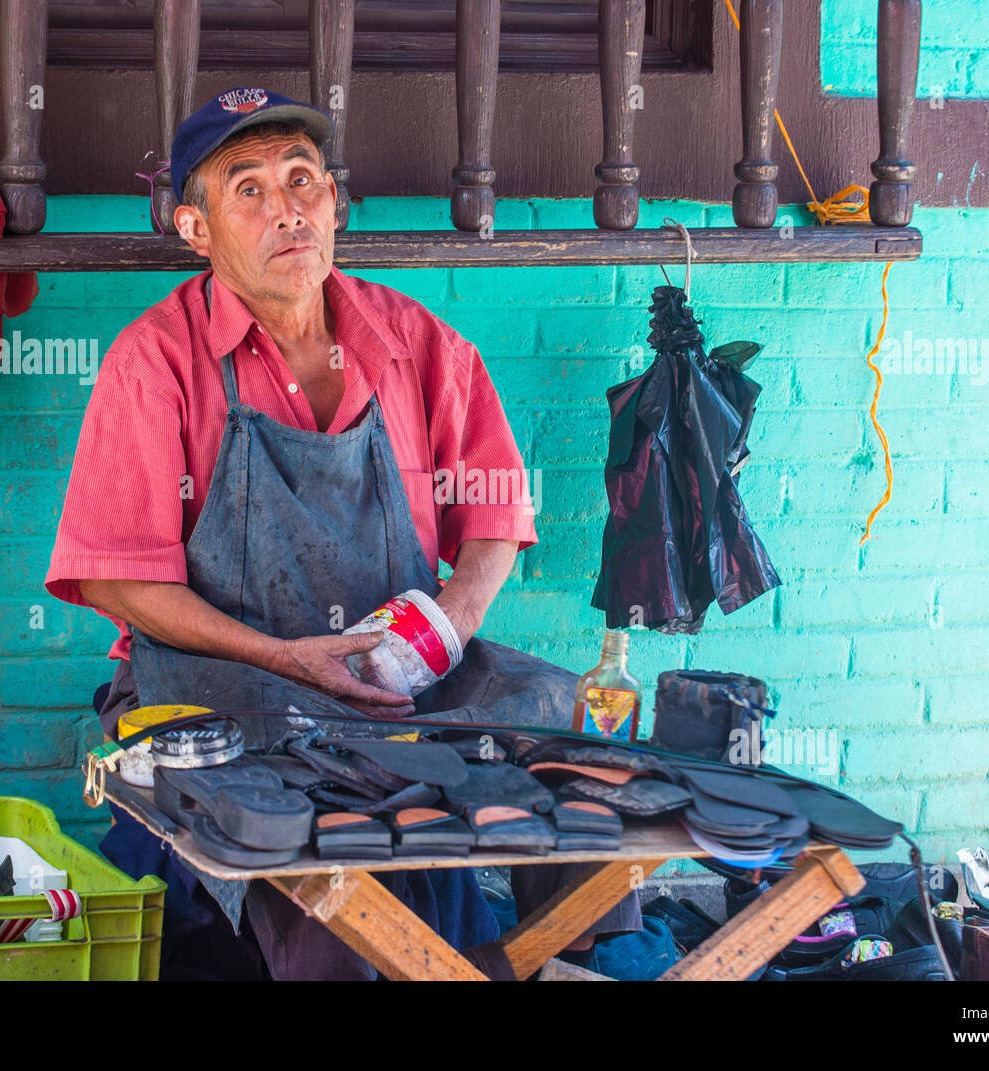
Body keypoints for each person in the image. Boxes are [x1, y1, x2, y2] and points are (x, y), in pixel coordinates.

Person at [46, 87, 640, 979]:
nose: (286, 209)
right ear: (196, 230)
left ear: (335, 203)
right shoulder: (155, 362)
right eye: (247, 189)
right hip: (232, 680)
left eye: (302, 180)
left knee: (562, 714)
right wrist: (288, 659)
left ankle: (569, 955)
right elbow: (117, 580)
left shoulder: (414, 341)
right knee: (308, 811)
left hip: (396, 670)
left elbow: (493, 511)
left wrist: (444, 629)